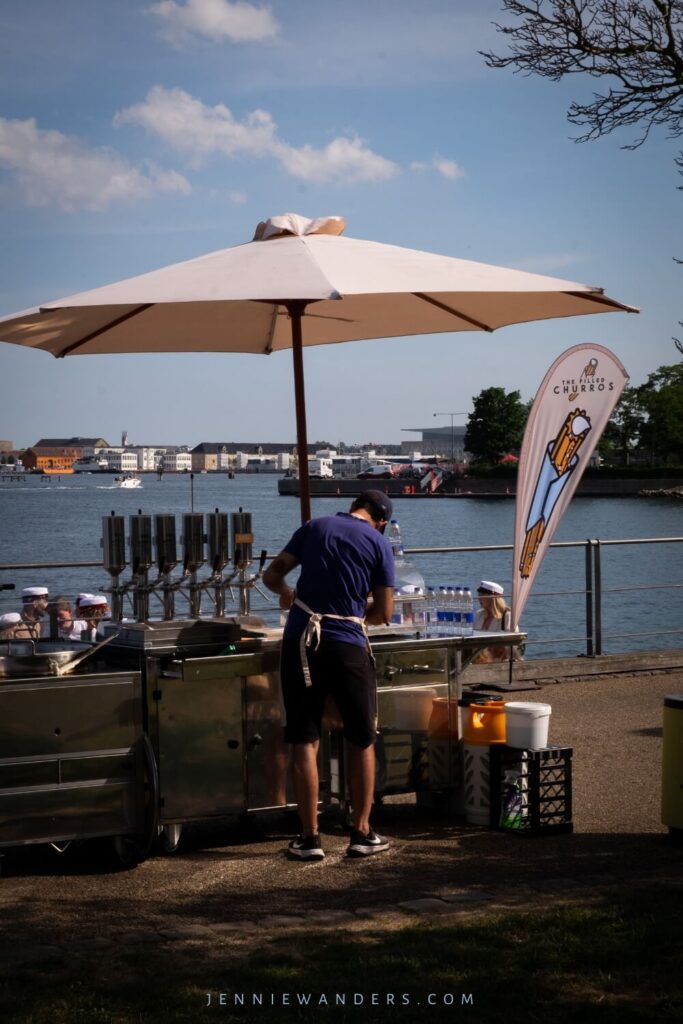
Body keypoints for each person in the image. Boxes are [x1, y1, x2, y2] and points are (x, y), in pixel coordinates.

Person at [263, 489, 395, 861]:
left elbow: (272, 575)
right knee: (361, 738)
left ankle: (309, 838)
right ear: (380, 521)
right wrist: (354, 615)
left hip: (302, 642)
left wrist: (289, 593)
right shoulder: (377, 543)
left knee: (305, 738)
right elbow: (384, 612)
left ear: (354, 506)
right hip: (348, 644)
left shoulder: (314, 526)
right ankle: (362, 833)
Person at [472, 580, 520, 664]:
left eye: (482, 595)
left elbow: (512, 645)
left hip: (498, 663)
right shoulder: (479, 615)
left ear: (493, 598)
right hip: (478, 660)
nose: (479, 598)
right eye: (479, 595)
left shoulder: (507, 616)